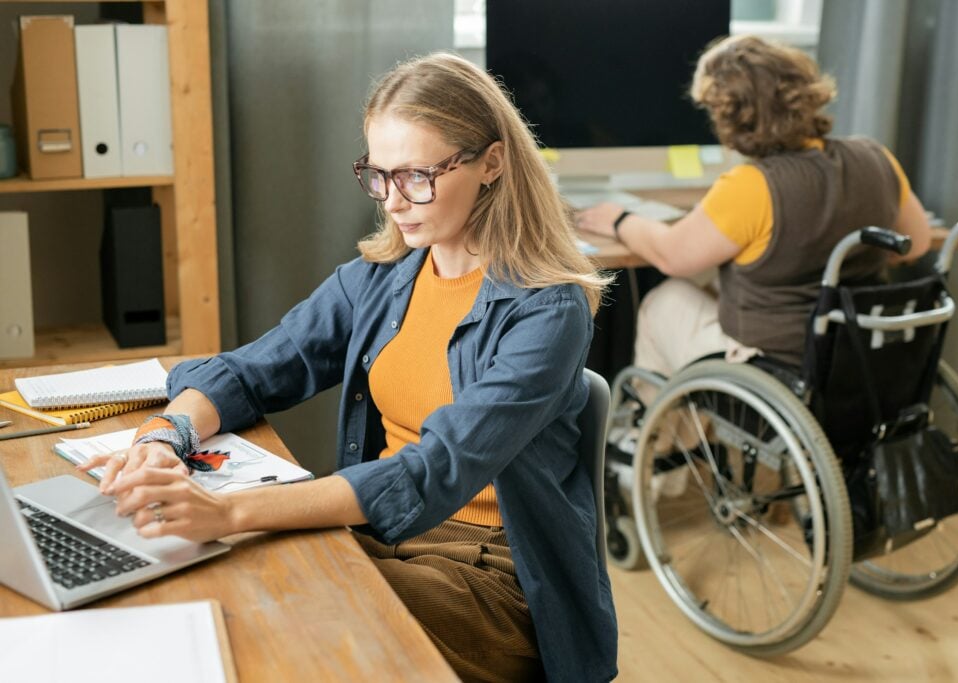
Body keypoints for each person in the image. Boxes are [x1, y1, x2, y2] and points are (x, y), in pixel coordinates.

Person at [81, 53, 617, 683]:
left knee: (279, 610)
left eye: (418, 176)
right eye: (379, 176)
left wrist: (228, 512)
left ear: (491, 163)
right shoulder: (382, 279)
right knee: (222, 579)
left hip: (498, 575)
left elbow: (431, 472)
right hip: (381, 536)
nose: (393, 202)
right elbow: (253, 369)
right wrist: (166, 437)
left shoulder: (547, 311)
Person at [576, 35, 932, 376]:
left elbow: (673, 256)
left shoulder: (752, 185)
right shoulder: (874, 157)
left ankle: (655, 434)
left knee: (664, 301)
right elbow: (915, 244)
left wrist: (619, 219)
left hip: (775, 364)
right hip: (855, 355)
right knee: (712, 284)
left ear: (731, 116)